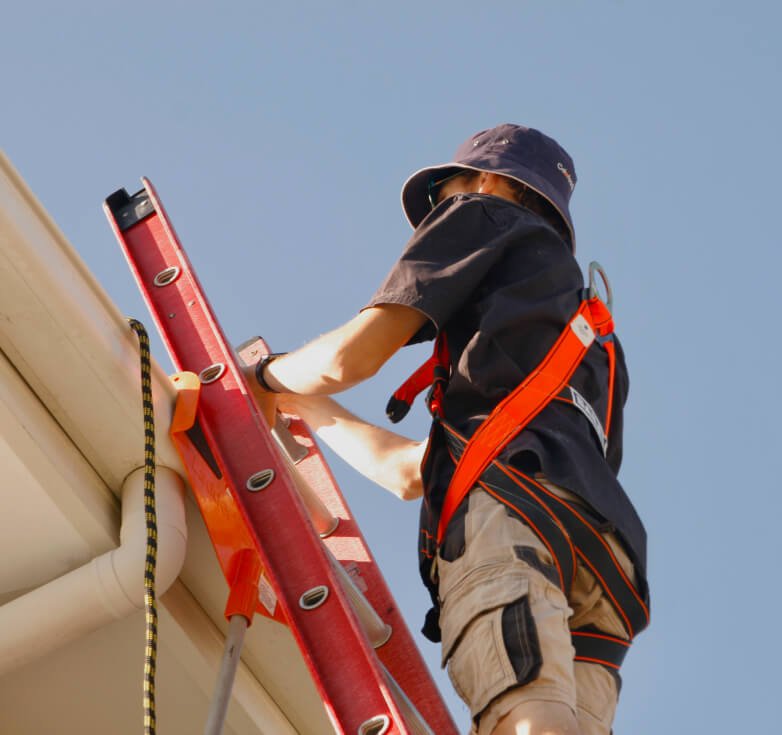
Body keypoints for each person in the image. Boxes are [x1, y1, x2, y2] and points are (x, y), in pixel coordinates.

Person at [247, 124, 649, 735]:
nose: (438, 212)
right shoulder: (595, 341)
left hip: (512, 515)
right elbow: (413, 475)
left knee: (525, 719)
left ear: (489, 183)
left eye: (447, 192)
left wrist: (262, 377)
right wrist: (311, 412)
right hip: (607, 564)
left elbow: (346, 361)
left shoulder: (482, 214)